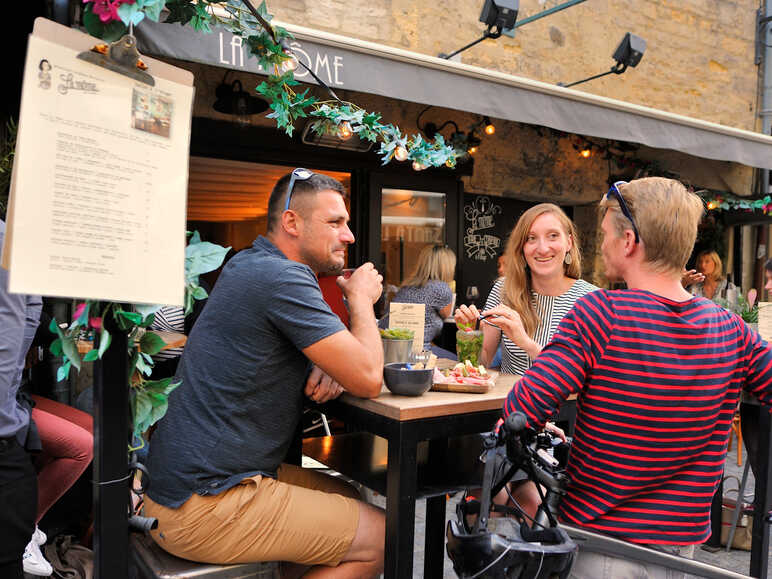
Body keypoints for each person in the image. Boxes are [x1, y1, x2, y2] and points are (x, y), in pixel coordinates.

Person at [501, 178, 772, 578]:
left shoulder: (600, 313)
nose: (603, 243)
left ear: (628, 241)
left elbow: (523, 406)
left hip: (603, 542)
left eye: (606, 234)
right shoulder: (731, 329)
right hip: (681, 550)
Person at [144, 169, 385, 577]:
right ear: (292, 222)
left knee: (345, 492)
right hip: (204, 501)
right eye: (335, 223)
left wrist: (326, 364)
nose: (349, 236)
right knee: (385, 536)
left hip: (184, 484)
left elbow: (277, 347)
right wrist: (361, 300)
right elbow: (369, 377)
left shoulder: (248, 263)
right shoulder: (282, 277)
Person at [455, 203, 597, 375]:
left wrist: (526, 343)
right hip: (508, 400)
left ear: (569, 242)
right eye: (531, 238)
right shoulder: (504, 289)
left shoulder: (592, 299)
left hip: (565, 402)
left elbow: (586, 375)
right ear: (521, 249)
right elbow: (481, 362)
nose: (543, 248)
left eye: (553, 236)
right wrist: (469, 334)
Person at [0, 219, 42, 578]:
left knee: (87, 436)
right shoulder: (6, 241)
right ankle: (32, 533)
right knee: (82, 444)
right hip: (12, 410)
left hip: (19, 398)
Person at [378, 245, 456, 354]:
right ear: (447, 267)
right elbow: (447, 315)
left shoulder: (406, 286)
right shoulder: (442, 288)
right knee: (456, 359)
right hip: (418, 351)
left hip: (388, 348)